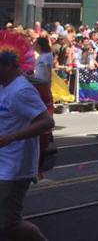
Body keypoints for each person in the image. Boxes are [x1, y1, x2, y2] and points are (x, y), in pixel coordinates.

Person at [0, 35, 56, 241]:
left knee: (8, 224)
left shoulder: (21, 90)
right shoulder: (4, 86)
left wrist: (11, 137)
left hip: (15, 168)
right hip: (3, 163)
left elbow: (46, 122)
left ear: (6, 66)